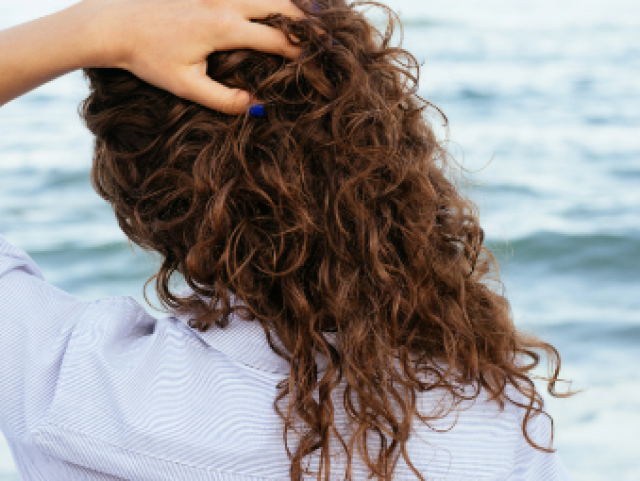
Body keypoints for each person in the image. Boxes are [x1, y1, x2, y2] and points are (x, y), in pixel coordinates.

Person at [0, 0, 574, 479]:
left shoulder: (71, 388)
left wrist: (102, 28)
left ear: (142, 200)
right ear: (386, 157)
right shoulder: (498, 419)